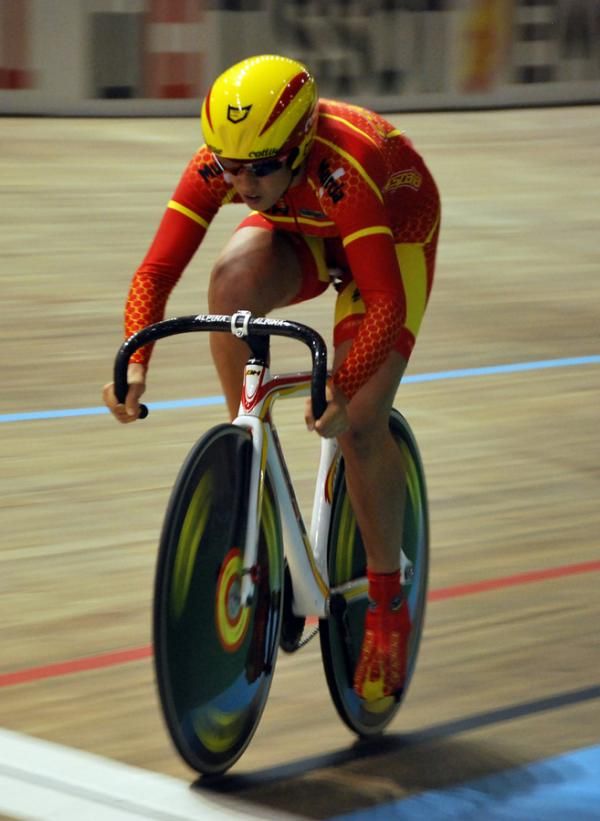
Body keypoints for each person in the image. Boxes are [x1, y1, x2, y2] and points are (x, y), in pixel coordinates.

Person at [103, 54, 440, 703]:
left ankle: (388, 601)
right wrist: (135, 362)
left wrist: (344, 387)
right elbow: (155, 274)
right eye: (230, 168)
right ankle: (251, 459)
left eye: (259, 168)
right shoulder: (226, 161)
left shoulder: (340, 166)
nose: (241, 181)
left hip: (389, 232)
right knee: (229, 287)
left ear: (300, 143)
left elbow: (386, 302)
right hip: (305, 225)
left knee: (361, 419)